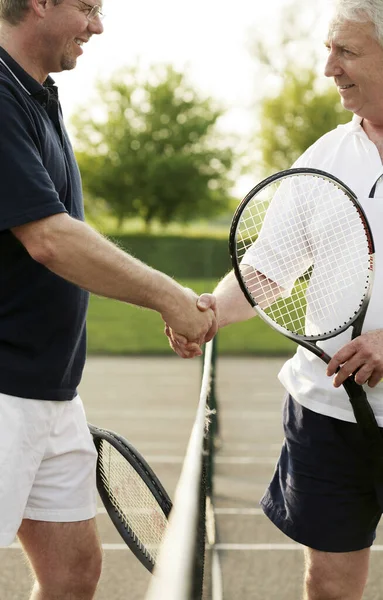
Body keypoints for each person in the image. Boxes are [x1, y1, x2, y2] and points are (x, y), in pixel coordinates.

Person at [0, 1, 217, 599]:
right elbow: (49, 237)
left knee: (72, 577)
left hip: (49, 393)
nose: (98, 26)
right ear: (40, 3)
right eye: (88, 7)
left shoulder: (37, 93)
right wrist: (169, 298)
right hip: (3, 395)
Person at [167, 1, 383, 598]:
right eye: (327, 50)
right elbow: (264, 270)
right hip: (329, 415)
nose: (328, 69)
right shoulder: (325, 158)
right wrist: (207, 312)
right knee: (330, 586)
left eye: (347, 51)